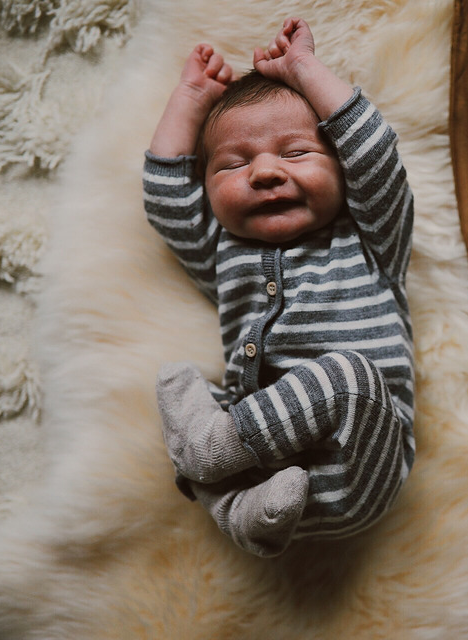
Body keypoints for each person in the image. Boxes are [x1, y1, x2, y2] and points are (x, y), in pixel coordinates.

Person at [142, 18, 415, 557]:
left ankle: (214, 452)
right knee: (183, 387)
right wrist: (191, 98)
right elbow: (165, 197)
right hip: (265, 479)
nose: (264, 172)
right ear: (209, 189)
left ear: (342, 169)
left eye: (295, 153)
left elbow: (376, 151)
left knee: (346, 376)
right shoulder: (223, 250)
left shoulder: (370, 237)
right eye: (234, 164)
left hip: (358, 461)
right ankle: (235, 510)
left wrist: (304, 69)